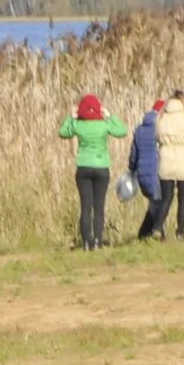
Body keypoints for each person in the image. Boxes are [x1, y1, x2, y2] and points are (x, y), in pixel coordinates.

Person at [56, 93, 131, 249]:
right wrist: (110, 116)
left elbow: (63, 132)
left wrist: (71, 117)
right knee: (99, 207)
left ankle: (85, 242)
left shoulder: (78, 125)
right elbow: (122, 131)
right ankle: (97, 241)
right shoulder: (103, 125)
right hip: (101, 167)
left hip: (83, 167)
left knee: (85, 207)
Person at [152, 89, 184, 238]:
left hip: (166, 159)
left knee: (167, 197)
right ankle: (181, 231)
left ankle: (158, 226)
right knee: (183, 199)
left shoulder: (161, 118)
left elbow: (157, 140)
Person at [127, 100, 165, 241]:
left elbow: (133, 154)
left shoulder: (140, 130)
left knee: (156, 203)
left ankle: (146, 234)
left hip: (142, 173)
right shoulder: (160, 129)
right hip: (156, 172)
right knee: (158, 203)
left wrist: (132, 169)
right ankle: (152, 234)